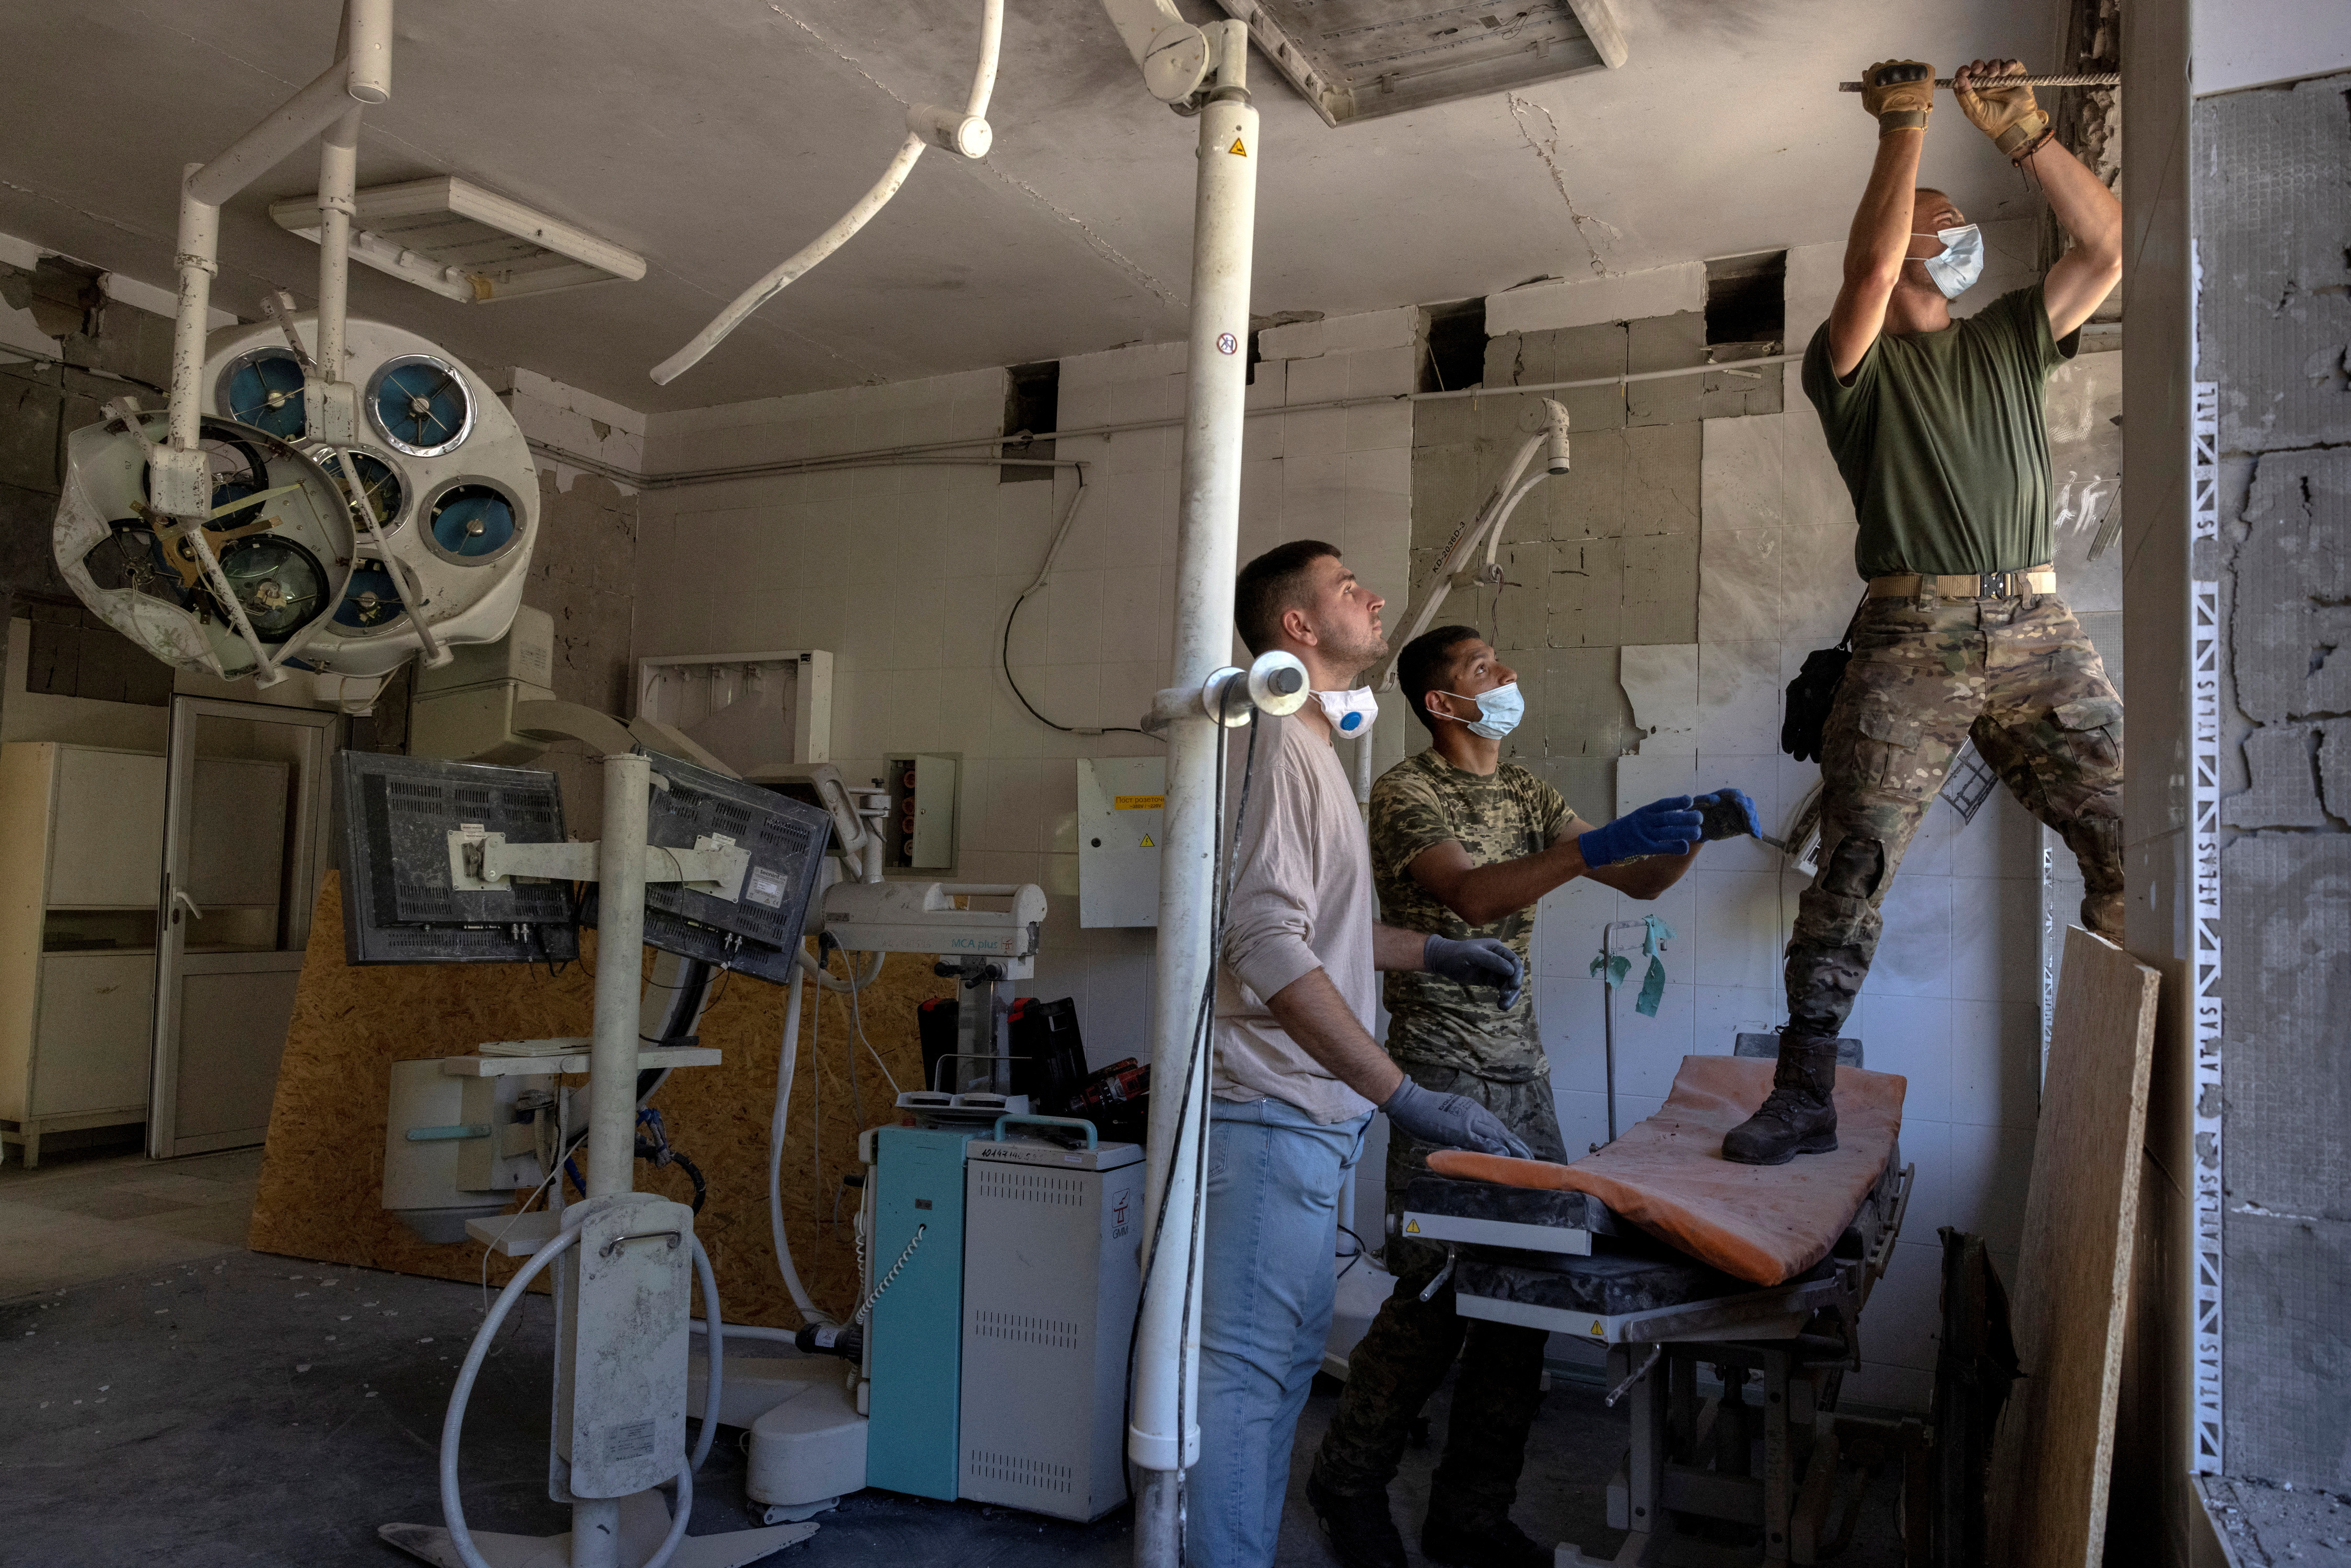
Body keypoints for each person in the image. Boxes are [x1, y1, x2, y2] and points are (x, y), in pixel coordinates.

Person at [1727, 57, 2127, 1166]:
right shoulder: (1848, 365)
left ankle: (2134, 1065)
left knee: (2137, 839)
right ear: (1901, 240)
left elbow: (2108, 246)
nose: (1955, 235)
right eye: (1933, 222)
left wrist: (2029, 137)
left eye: (1954, 222)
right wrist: (1902, 129)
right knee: (1853, 860)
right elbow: (1862, 274)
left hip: (2036, 627)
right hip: (1912, 637)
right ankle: (1804, 1091)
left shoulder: (2009, 336)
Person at [1307, 625, 1754, 1567]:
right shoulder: (1405, 792)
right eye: (1483, 669)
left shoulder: (1528, 790)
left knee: (1524, 1300)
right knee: (1434, 1299)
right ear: (1442, 703)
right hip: (1438, 1073)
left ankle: (1469, 1515)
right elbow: (1471, 898)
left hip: (1525, 1077)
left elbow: (1633, 881)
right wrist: (1593, 850)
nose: (1507, 677)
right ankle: (1347, 1483)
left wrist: (1682, 841)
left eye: (1502, 663)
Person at [1194, 540, 1532, 1568]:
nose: (1373, 595)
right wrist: (1403, 1095)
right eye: (1347, 588)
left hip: (1304, 1120)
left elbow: (1322, 933)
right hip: (1266, 1112)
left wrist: (1433, 949)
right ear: (1296, 628)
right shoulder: (1265, 742)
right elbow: (1263, 944)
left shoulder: (1314, 751)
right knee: (1247, 1385)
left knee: (1281, 1370)